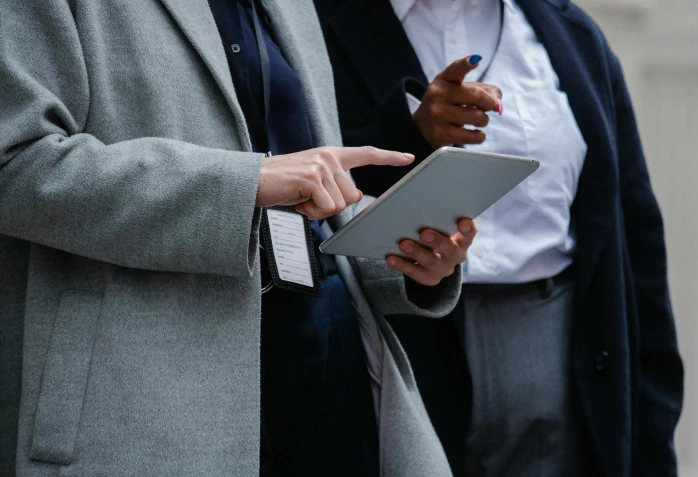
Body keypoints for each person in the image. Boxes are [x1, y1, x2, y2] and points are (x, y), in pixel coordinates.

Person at [0, 1, 475, 476]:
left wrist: (407, 252)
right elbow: (14, 165)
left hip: (331, 350)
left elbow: (314, 195)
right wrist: (246, 182)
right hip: (147, 385)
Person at [313, 0, 685, 475]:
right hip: (393, 355)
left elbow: (637, 248)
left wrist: (653, 436)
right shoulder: (315, 20)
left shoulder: (571, 34)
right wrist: (413, 134)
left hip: (556, 359)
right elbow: (299, 184)